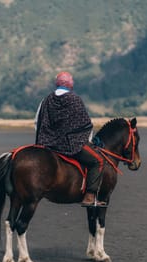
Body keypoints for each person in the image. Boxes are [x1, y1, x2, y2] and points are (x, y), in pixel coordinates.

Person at [35, 71, 106, 207]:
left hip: (49, 145)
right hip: (72, 145)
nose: (73, 82)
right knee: (99, 161)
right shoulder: (75, 99)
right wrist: (89, 141)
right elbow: (85, 125)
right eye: (72, 80)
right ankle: (90, 196)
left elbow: (37, 123)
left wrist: (48, 139)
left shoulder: (46, 100)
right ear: (67, 83)